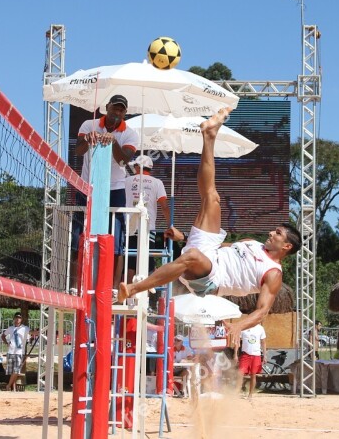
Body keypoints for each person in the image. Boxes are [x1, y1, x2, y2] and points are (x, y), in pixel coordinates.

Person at [119, 108, 301, 348]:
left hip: (210, 281)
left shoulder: (273, 273)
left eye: (277, 233)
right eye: (274, 230)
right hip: (209, 252)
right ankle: (209, 135)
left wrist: (237, 325)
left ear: (286, 246)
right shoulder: (252, 244)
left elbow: (262, 311)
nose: (271, 232)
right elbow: (223, 247)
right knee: (211, 197)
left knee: (193, 256)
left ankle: (133, 288)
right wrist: (184, 237)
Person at [71, 94, 138, 294]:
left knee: (116, 239)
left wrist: (112, 142)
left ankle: (113, 288)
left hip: (115, 189)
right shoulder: (88, 124)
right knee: (79, 237)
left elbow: (124, 161)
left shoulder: (130, 133)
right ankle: (76, 285)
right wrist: (89, 139)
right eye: (114, 108)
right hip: (87, 187)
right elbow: (78, 151)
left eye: (121, 110)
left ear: (125, 113)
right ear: (106, 107)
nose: (117, 113)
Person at [125, 154, 171, 281]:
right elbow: (165, 206)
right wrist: (169, 226)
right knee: (148, 262)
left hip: (129, 227)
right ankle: (148, 297)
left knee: (130, 263)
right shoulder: (157, 183)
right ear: (150, 168)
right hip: (148, 227)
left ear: (136, 167)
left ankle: (129, 296)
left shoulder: (127, 181)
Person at [2, 312, 30, 391]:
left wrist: (39, 332)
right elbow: (3, 335)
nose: (18, 319)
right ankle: (13, 388)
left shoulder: (25, 328)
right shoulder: (10, 328)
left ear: (21, 320)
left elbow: (31, 332)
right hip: (11, 351)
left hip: (19, 351)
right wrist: (6, 343)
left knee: (16, 370)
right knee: (12, 371)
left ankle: (8, 385)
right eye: (16, 318)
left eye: (19, 318)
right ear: (14, 319)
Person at [238, 323, 266, 400]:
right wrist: (235, 354)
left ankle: (250, 395)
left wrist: (265, 355)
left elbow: (263, 342)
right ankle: (237, 392)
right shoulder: (244, 327)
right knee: (240, 374)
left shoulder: (260, 328)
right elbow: (237, 341)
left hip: (256, 355)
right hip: (245, 354)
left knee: (253, 375)